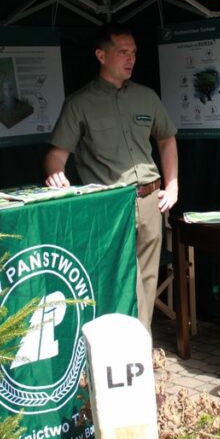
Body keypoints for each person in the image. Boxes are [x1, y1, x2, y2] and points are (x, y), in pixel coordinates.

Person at [44, 24, 178, 331]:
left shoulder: (147, 97)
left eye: (133, 52)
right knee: (115, 275)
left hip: (150, 200)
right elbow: (56, 153)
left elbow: (167, 139)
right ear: (101, 55)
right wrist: (55, 172)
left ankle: (139, 347)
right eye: (122, 52)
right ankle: (118, 348)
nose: (130, 59)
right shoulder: (79, 103)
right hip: (110, 204)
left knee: (146, 277)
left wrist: (172, 185)